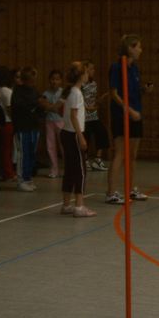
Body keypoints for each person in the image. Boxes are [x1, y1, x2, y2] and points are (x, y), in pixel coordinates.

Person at [106, 34, 153, 204]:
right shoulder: (117, 67)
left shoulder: (134, 68)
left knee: (132, 155)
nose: (141, 50)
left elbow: (133, 91)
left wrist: (144, 90)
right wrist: (128, 110)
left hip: (136, 114)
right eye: (138, 47)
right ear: (130, 48)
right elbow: (114, 94)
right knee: (120, 153)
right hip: (121, 115)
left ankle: (130, 189)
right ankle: (111, 192)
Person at [59, 61, 96, 217]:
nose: (88, 75)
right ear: (81, 76)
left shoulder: (71, 92)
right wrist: (81, 137)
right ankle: (79, 206)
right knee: (80, 170)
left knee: (69, 169)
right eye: (86, 72)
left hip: (66, 133)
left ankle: (66, 205)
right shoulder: (76, 93)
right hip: (74, 134)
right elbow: (74, 116)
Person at [11, 66, 44, 192]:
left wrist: (40, 109)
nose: (33, 81)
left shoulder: (34, 91)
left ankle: (28, 178)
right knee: (22, 154)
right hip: (22, 127)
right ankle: (21, 180)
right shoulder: (18, 92)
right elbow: (19, 107)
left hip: (34, 126)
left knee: (31, 153)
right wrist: (35, 104)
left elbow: (40, 104)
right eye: (31, 78)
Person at [81, 60, 109, 172]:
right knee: (85, 138)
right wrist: (88, 108)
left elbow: (93, 99)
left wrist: (99, 100)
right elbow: (80, 101)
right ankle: (85, 160)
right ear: (86, 70)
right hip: (83, 118)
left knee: (102, 133)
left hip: (93, 116)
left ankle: (97, 160)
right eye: (91, 69)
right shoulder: (81, 85)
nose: (94, 71)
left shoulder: (94, 84)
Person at [0, 66, 17, 181]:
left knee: (3, 149)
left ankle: (2, 171)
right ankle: (8, 173)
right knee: (7, 149)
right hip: (8, 121)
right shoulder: (6, 91)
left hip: (0, 122)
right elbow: (9, 108)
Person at [41, 70, 65, 178]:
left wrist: (50, 106)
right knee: (50, 146)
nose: (54, 81)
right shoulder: (45, 94)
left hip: (61, 121)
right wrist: (52, 107)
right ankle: (54, 168)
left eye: (57, 79)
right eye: (52, 79)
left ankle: (67, 169)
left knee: (63, 145)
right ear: (49, 80)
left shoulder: (63, 93)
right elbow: (45, 106)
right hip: (49, 121)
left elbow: (58, 107)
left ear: (61, 80)